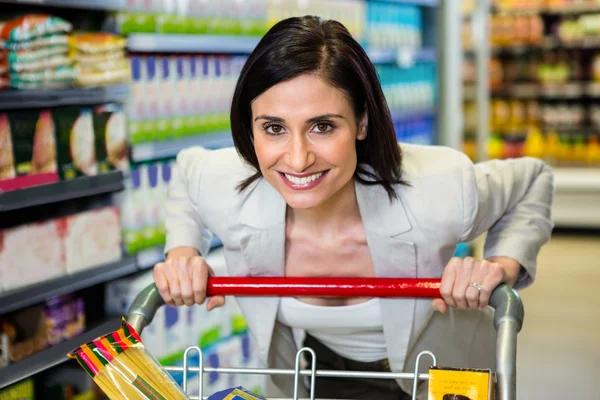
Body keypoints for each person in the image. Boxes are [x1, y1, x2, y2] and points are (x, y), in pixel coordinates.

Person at [152, 16, 555, 400]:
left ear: (362, 122)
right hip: (317, 372)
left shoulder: (439, 189)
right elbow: (187, 178)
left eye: (322, 126)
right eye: (274, 128)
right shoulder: (225, 184)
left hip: (441, 375)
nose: (297, 159)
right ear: (249, 126)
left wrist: (499, 267)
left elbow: (532, 180)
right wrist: (183, 254)